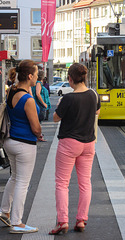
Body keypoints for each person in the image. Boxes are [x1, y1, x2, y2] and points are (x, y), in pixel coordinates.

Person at [49, 63, 101, 235]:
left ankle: (63, 221)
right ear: (84, 77)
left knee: (62, 183)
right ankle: (81, 219)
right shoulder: (94, 95)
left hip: (69, 144)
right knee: (85, 183)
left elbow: (56, 119)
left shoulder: (68, 99)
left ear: (70, 79)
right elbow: (97, 113)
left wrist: (59, 106)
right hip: (88, 144)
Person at [0, 60, 41, 234]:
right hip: (25, 144)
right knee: (23, 183)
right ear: (30, 76)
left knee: (15, 178)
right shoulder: (28, 99)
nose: (38, 77)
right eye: (37, 74)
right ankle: (17, 222)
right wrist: (39, 133)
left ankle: (4, 211)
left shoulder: (12, 91)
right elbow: (36, 127)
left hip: (10, 141)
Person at [31, 70, 51, 141]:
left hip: (35, 103)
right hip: (39, 104)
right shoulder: (38, 83)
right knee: (39, 121)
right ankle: (39, 136)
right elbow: (38, 94)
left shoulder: (34, 83)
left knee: (37, 121)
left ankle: (38, 135)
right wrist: (44, 103)